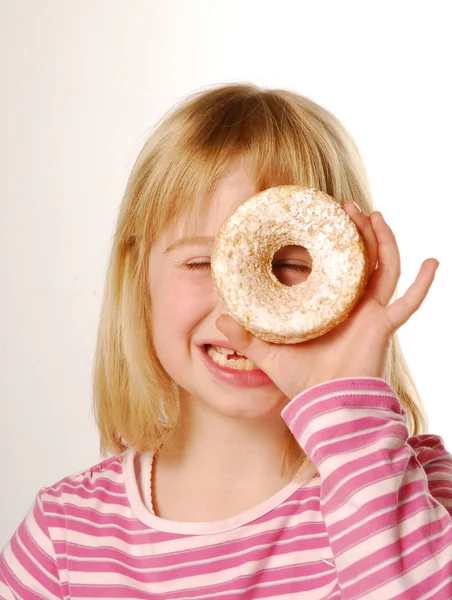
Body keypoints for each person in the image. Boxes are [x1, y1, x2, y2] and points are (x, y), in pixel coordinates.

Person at [1, 83, 451, 600]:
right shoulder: (64, 541)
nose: (240, 311)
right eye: (200, 263)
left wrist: (348, 411)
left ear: (351, 281)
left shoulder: (406, 491)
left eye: (291, 266)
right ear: (139, 281)